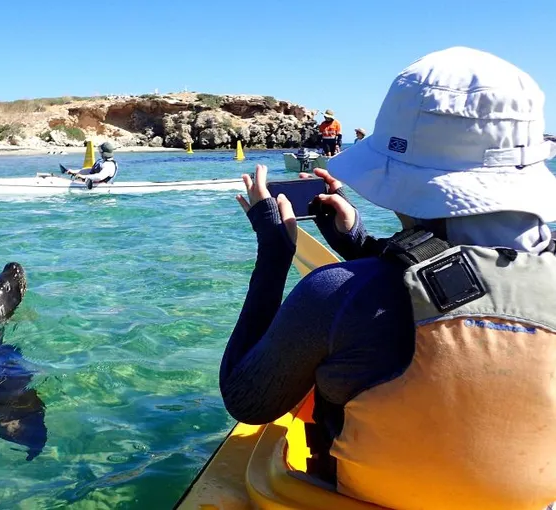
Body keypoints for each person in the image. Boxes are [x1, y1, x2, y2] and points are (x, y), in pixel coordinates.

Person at [222, 46, 556, 510]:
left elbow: (246, 400)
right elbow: (482, 281)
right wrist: (357, 241)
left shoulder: (336, 294)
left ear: (398, 177)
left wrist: (276, 251)